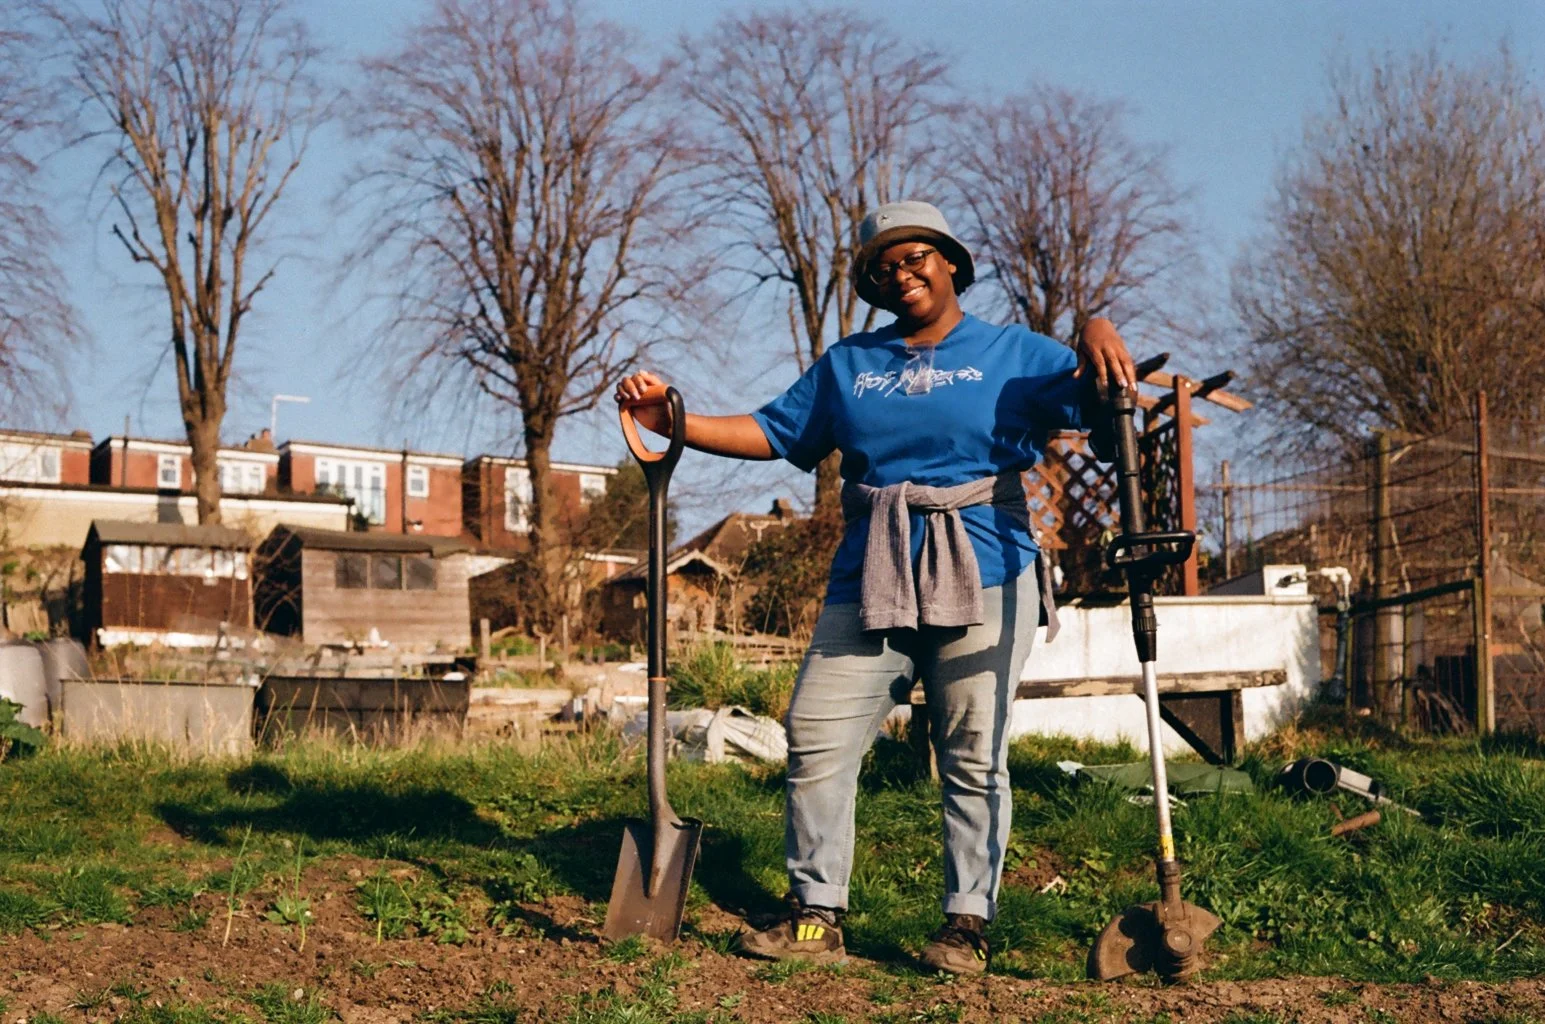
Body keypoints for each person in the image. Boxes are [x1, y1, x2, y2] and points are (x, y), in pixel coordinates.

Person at [613, 200, 1137, 974]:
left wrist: (1094, 328)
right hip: (872, 571)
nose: (901, 273)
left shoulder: (1013, 352)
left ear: (950, 263)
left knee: (970, 752)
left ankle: (966, 924)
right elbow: (771, 432)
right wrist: (675, 417)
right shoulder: (849, 365)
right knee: (815, 731)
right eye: (883, 267)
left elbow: (1095, 400)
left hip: (986, 566)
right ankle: (816, 911)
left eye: (915, 256)